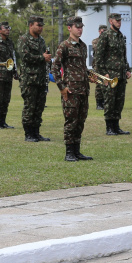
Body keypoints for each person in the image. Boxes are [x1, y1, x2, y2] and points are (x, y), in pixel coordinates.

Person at [51, 16, 93, 161]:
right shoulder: (64, 46)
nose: (80, 29)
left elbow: (82, 68)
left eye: (81, 27)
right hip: (70, 90)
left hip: (83, 89)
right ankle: (69, 152)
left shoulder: (83, 46)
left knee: (81, 121)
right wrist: (62, 87)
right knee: (71, 121)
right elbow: (54, 68)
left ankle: (77, 150)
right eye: (77, 27)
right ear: (69, 28)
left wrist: (89, 76)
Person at [95, 13, 131, 135]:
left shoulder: (120, 36)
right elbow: (98, 57)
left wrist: (127, 69)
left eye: (120, 20)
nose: (119, 22)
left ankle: (116, 126)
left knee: (119, 101)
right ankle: (109, 127)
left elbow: (123, 55)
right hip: (110, 75)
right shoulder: (105, 36)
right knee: (110, 101)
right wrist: (103, 73)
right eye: (117, 20)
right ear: (111, 21)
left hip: (121, 74)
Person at [17, 15, 52, 142]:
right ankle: (28, 134)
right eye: (38, 25)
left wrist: (47, 57)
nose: (41, 28)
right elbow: (25, 56)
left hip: (41, 78)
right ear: (31, 25)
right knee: (29, 107)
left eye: (42, 25)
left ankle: (36, 132)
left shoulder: (41, 40)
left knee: (39, 107)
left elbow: (44, 55)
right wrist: (42, 58)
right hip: (29, 79)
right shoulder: (24, 39)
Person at [0, 21, 18, 129]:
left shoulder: (10, 42)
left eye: (8, 27)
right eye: (5, 28)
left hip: (8, 75)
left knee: (6, 99)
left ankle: (3, 121)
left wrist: (15, 71)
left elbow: (12, 58)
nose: (8, 29)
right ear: (0, 31)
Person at [91, 24, 107, 110]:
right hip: (97, 65)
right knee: (99, 84)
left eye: (105, 31)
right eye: (102, 31)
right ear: (99, 31)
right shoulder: (95, 41)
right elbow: (98, 49)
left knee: (106, 83)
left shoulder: (108, 40)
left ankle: (105, 102)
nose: (103, 32)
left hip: (107, 65)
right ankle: (99, 103)